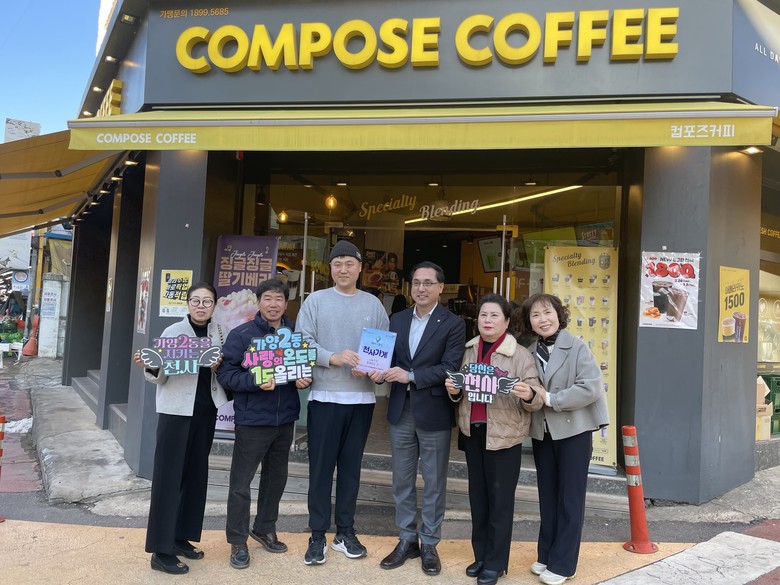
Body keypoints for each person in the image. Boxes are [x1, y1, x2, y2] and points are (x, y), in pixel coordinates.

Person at [294, 240, 390, 565]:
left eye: (350, 263)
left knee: (351, 470)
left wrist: (377, 372)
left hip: (362, 400)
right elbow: (302, 342)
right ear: (330, 268)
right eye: (337, 264)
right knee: (320, 470)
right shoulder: (315, 301)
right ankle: (317, 535)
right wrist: (332, 357)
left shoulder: (374, 305)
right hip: (324, 397)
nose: (343, 269)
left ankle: (345, 532)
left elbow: (383, 351)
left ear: (360, 268)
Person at [444, 294, 544, 585]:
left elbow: (536, 397)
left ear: (507, 321)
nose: (487, 321)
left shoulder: (520, 355)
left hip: (504, 438)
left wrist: (528, 394)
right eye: (483, 315)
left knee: (500, 502)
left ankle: (496, 563)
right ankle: (481, 556)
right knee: (478, 499)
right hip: (473, 433)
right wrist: (454, 390)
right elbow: (460, 391)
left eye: (494, 315)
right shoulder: (469, 350)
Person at [373, 261, 465, 576]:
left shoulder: (453, 323)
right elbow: (386, 359)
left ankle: (430, 543)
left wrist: (410, 375)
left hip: (434, 410)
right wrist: (376, 370)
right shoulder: (397, 319)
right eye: (416, 283)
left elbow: (450, 367)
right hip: (401, 409)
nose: (421, 288)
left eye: (428, 283)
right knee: (402, 479)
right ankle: (407, 539)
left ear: (440, 287)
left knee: (434, 481)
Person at [133, 282, 229, 575]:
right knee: (168, 478)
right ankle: (160, 551)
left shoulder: (220, 333)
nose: (201, 306)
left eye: (207, 301)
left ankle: (180, 537)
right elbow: (159, 375)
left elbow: (227, 371)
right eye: (196, 300)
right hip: (175, 412)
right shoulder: (173, 332)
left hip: (206, 411)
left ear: (214, 305)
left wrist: (219, 367)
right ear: (187, 304)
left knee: (195, 476)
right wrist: (150, 366)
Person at [216, 279, 311, 570]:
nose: (273, 304)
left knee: (276, 479)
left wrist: (304, 379)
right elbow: (226, 375)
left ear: (286, 303)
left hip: (285, 419)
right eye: (268, 298)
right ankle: (237, 540)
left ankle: (265, 527)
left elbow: (303, 367)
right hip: (253, 420)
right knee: (241, 483)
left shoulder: (295, 333)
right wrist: (255, 381)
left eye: (279, 299)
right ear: (258, 302)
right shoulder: (242, 335)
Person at [518, 293, 609, 585]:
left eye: (547, 312)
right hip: (543, 432)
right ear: (529, 322)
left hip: (574, 432)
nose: (542, 319)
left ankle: (564, 564)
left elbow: (591, 387)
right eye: (535, 315)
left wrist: (551, 399)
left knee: (570, 498)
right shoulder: (528, 352)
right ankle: (546, 554)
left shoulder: (577, 346)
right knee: (548, 495)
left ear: (559, 315)